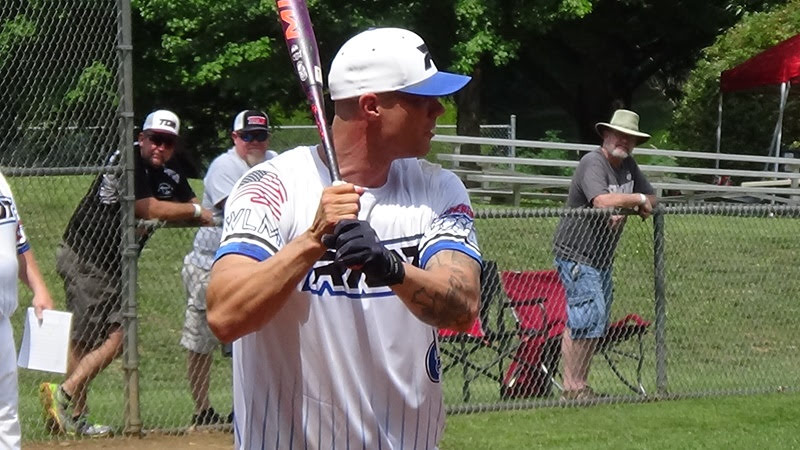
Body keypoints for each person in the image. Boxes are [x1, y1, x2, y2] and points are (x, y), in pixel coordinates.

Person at [205, 27, 482, 449]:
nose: (439, 110)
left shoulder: (437, 189)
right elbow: (226, 316)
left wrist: (390, 267)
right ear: (372, 106)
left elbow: (462, 309)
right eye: (421, 99)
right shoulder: (270, 188)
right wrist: (312, 241)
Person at [40, 109, 214, 436]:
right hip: (87, 255)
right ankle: (72, 409)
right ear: (142, 138)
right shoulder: (128, 159)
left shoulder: (168, 169)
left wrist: (190, 210)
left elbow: (194, 205)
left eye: (168, 142)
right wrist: (189, 211)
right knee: (87, 338)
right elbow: (148, 207)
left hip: (114, 263)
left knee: (118, 336)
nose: (160, 147)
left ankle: (66, 399)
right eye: (155, 139)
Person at [552, 108, 657, 400]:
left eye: (630, 138)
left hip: (601, 258)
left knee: (595, 318)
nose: (624, 141)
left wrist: (634, 202)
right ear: (606, 135)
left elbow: (652, 197)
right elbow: (601, 200)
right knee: (586, 316)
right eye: (619, 135)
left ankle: (579, 385)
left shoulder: (629, 166)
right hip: (577, 252)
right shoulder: (592, 162)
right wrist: (635, 200)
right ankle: (572, 388)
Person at [180, 110, 277, 426]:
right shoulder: (224, 166)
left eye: (260, 135)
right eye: (247, 136)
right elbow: (243, 207)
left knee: (248, 339)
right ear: (235, 137)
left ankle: (243, 407)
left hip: (254, 266)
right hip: (208, 265)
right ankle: (202, 411)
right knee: (200, 341)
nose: (254, 142)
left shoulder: (276, 162)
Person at [0, 171, 55, 449]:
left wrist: (38, 287)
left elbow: (17, 238)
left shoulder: (1, 183)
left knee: (6, 412)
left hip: (1, 317)